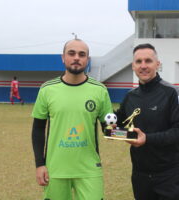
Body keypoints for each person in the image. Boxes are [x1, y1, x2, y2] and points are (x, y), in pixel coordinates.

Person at [31, 39, 113, 200]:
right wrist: (40, 164)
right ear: (63, 57)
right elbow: (38, 129)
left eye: (82, 54)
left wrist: (131, 134)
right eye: (72, 53)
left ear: (87, 60)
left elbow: (108, 129)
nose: (77, 57)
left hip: (89, 169)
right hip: (55, 169)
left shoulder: (100, 90)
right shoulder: (47, 89)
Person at [115, 43, 179, 200]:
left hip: (169, 174)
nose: (143, 66)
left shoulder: (172, 93)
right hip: (140, 175)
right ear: (133, 66)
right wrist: (109, 126)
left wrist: (147, 139)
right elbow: (118, 125)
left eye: (148, 61)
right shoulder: (130, 97)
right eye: (138, 62)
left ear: (157, 64)